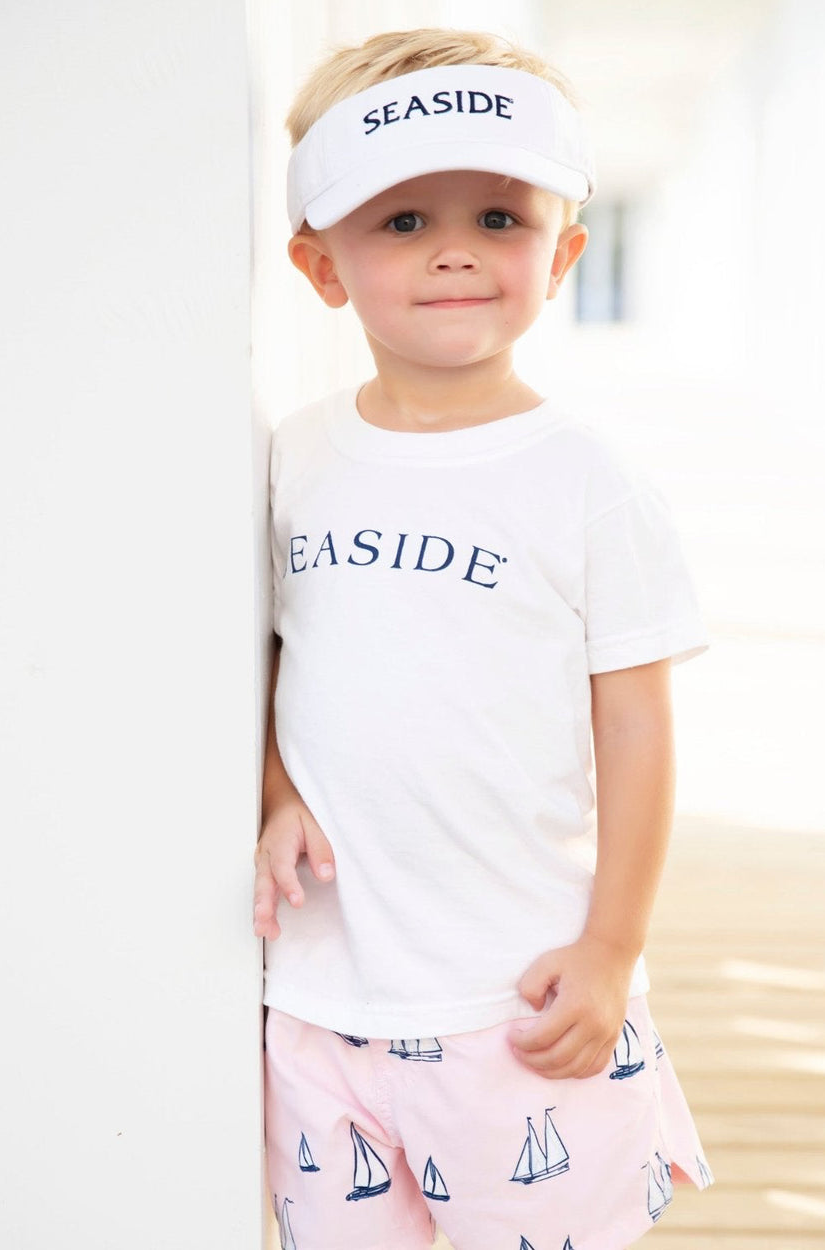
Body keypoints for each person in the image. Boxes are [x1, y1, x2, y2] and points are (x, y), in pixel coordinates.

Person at [253, 27, 715, 1250]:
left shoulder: (584, 479)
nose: (455, 246)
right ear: (320, 265)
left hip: (516, 997)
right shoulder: (291, 461)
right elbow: (269, 663)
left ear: (562, 253)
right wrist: (275, 785)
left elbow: (636, 716)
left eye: (499, 218)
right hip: (317, 998)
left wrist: (611, 946)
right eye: (401, 221)